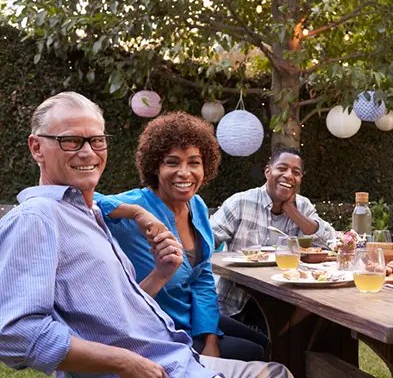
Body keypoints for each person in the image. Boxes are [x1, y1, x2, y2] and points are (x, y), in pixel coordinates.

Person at [0, 92, 291, 378]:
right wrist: (124, 362)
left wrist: (163, 273)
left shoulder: (89, 216)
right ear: (37, 148)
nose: (88, 152)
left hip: (170, 349)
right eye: (71, 140)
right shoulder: (38, 217)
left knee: (271, 357)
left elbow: (121, 310)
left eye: (97, 140)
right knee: (274, 366)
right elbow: (13, 333)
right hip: (157, 358)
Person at [95, 112, 268, 362]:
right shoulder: (135, 205)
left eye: (194, 162)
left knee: (263, 341)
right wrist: (136, 213)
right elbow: (77, 198)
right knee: (255, 352)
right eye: (172, 162)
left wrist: (209, 338)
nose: (184, 173)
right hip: (158, 327)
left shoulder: (196, 205)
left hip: (191, 315)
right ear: (156, 166)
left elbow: (202, 278)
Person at [210, 147, 335, 318]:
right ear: (268, 171)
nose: (289, 175)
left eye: (296, 172)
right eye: (282, 168)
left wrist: (292, 211)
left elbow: (330, 243)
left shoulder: (303, 206)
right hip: (234, 303)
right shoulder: (240, 203)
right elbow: (205, 242)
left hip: (285, 303)